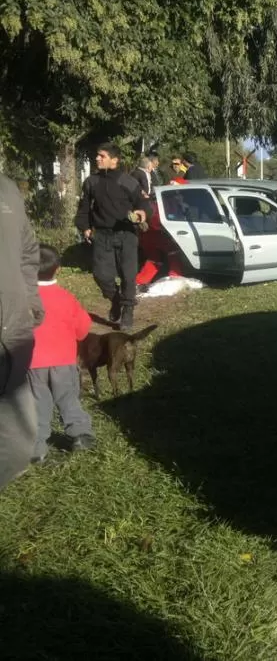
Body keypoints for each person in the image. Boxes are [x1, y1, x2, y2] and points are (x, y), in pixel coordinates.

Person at [27, 245, 95, 463]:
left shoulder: (21, 300)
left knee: (37, 404)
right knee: (68, 398)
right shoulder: (66, 298)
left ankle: (37, 449)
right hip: (64, 362)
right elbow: (83, 330)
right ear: (58, 269)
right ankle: (80, 434)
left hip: (32, 364)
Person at [75, 142, 151, 331]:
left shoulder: (128, 181)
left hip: (126, 233)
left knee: (128, 275)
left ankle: (128, 312)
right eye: (97, 155)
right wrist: (84, 227)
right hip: (102, 234)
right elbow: (84, 209)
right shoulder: (91, 182)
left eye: (102, 156)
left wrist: (142, 213)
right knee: (101, 275)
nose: (97, 158)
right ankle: (117, 301)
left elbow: (144, 204)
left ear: (114, 160)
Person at [0, 174, 43, 490]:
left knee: (19, 444)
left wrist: (30, 298)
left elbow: (28, 250)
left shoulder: (7, 189)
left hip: (12, 332)